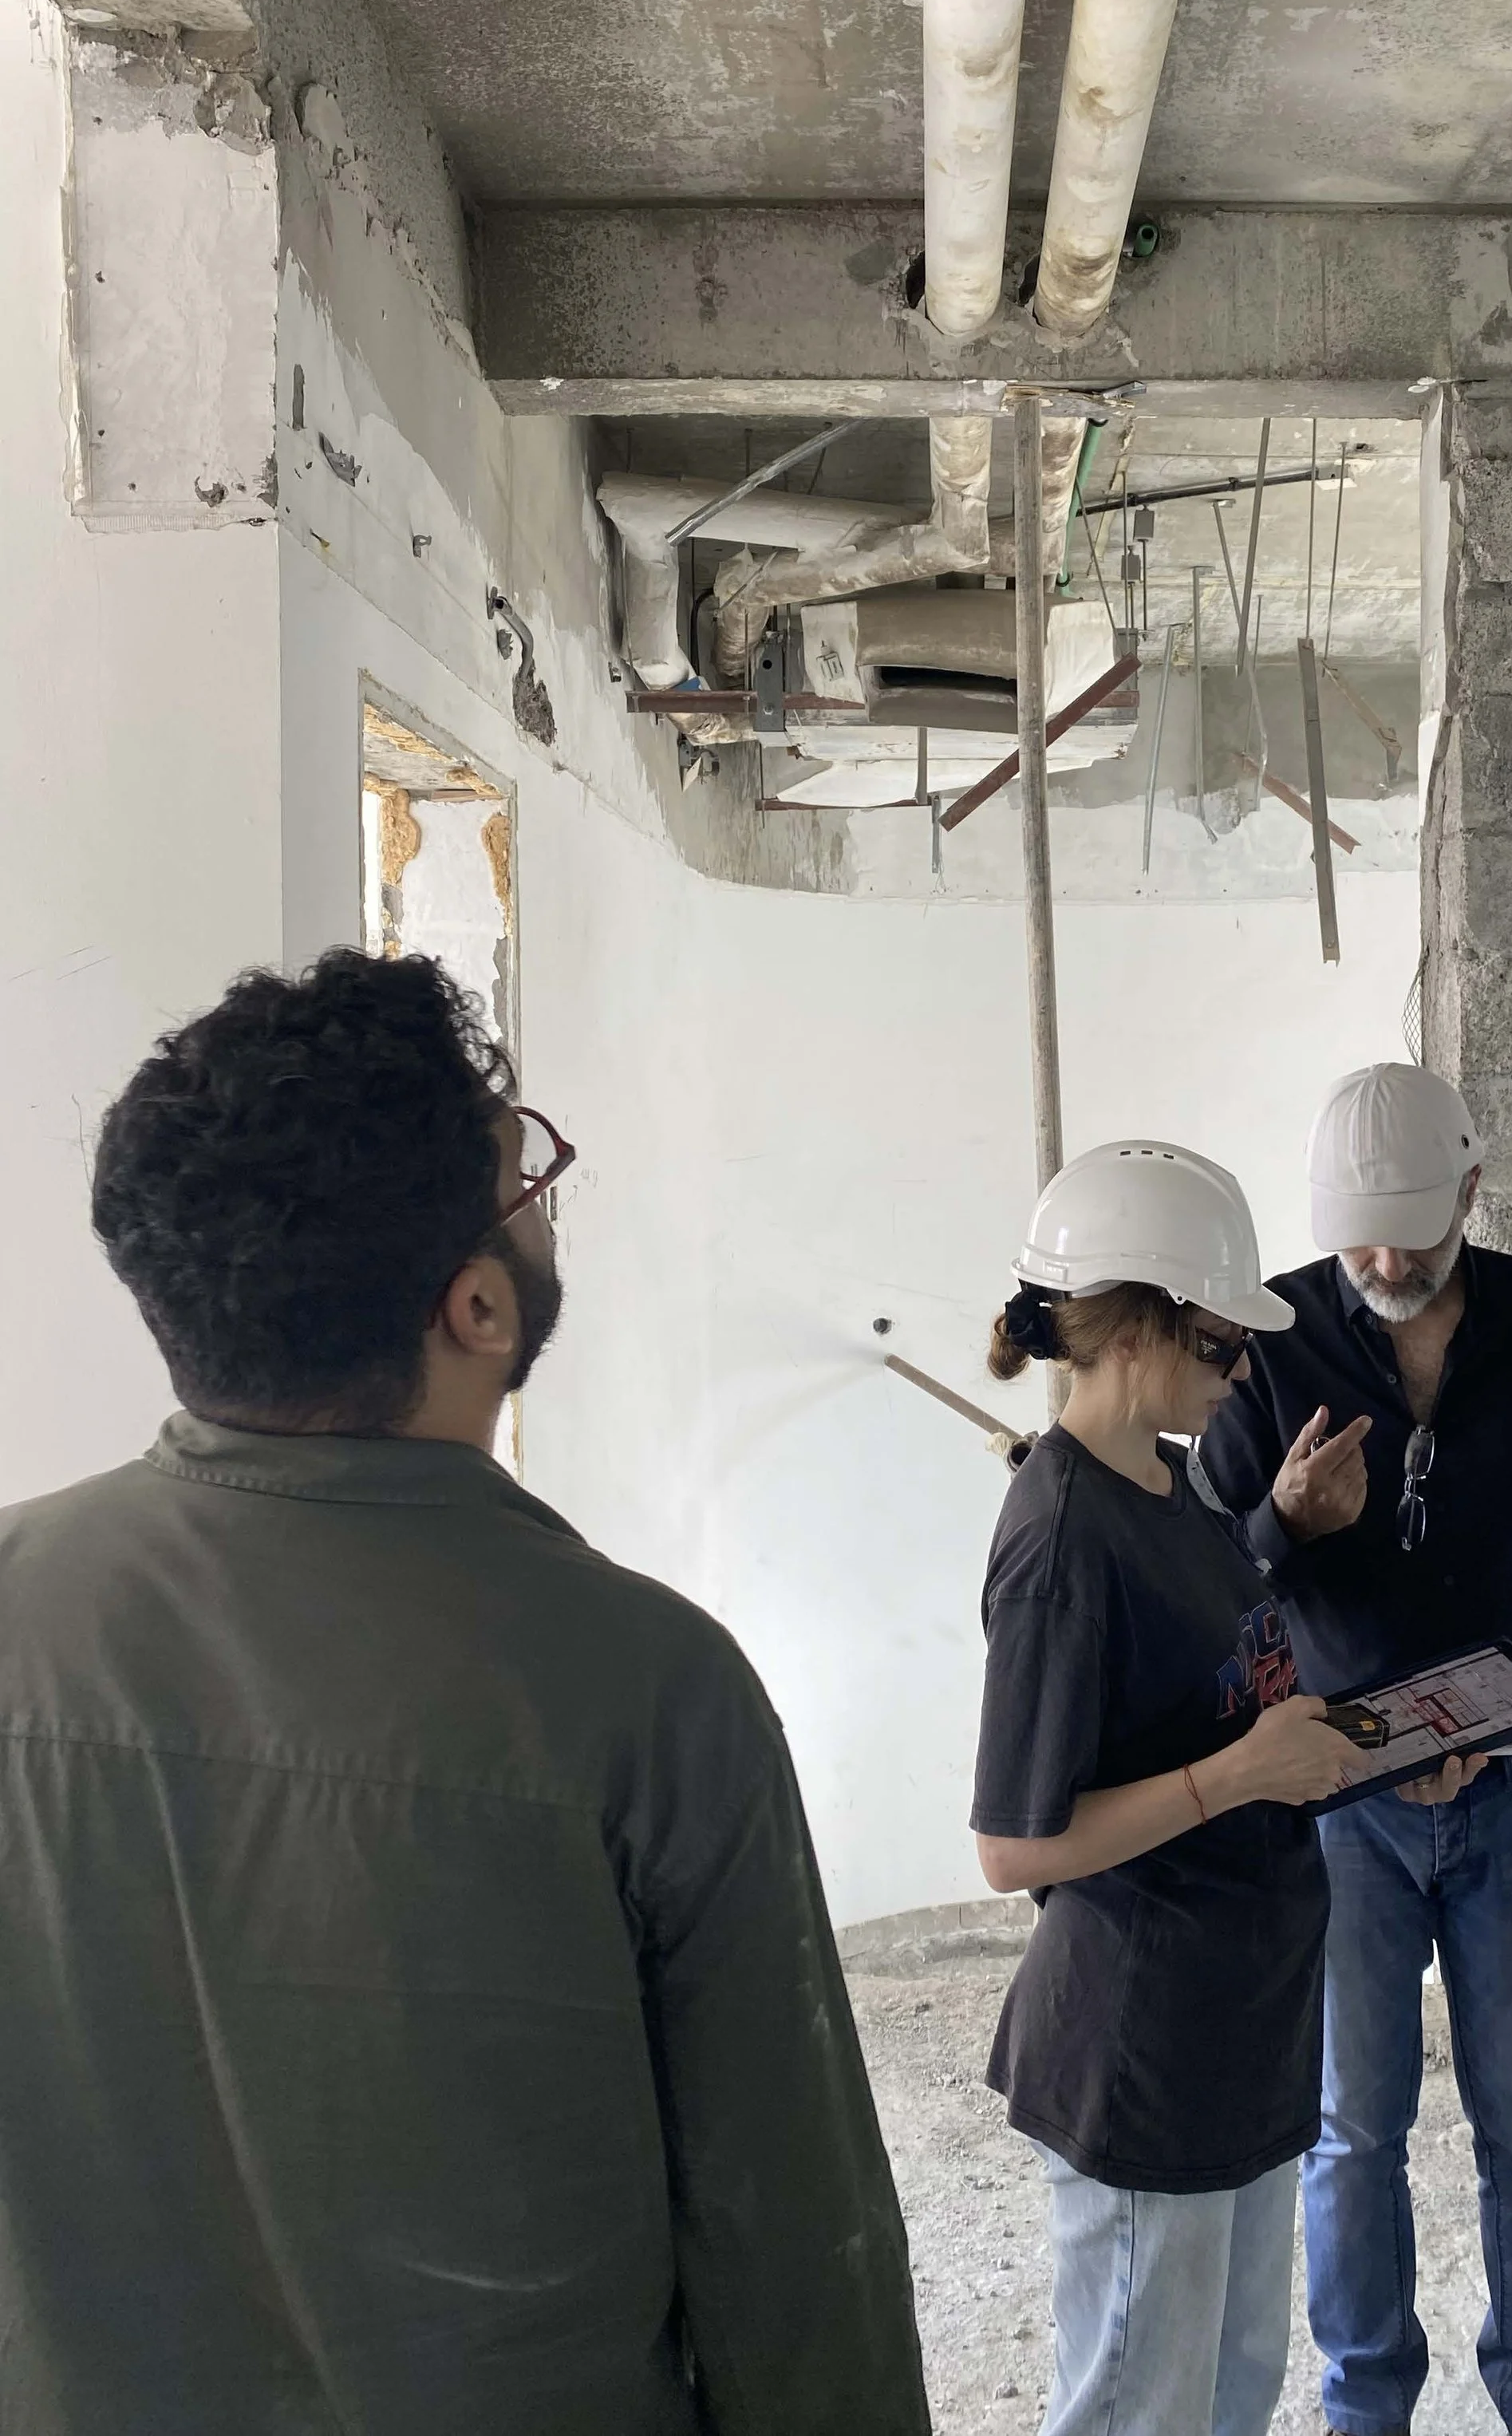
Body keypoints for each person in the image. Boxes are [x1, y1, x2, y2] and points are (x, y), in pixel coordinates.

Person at [0, 950, 929, 2436]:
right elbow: (794, 2265)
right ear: (479, 1309)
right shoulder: (649, 1691)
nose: (552, 1196)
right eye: (530, 1173)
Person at [1196, 1062, 1512, 2436]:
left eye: (1412, 1231)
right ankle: (1367, 2410)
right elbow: (1208, 1602)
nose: (1383, 1262)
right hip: (1339, 1817)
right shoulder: (1272, 1337)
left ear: (1473, 1190)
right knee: (1354, 2138)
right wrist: (1282, 1524)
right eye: (1359, 1235)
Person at [971, 1139, 1486, 2436]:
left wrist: (1358, 1741)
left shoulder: (1167, 1479)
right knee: (1141, 2407)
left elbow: (1216, 1689)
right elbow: (1014, 1847)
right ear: (1138, 1324)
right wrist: (1244, 1772)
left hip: (1241, 2027)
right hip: (1146, 2049)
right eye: (1218, 1345)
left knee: (1230, 2394)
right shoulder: (1061, 1535)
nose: (1242, 1369)